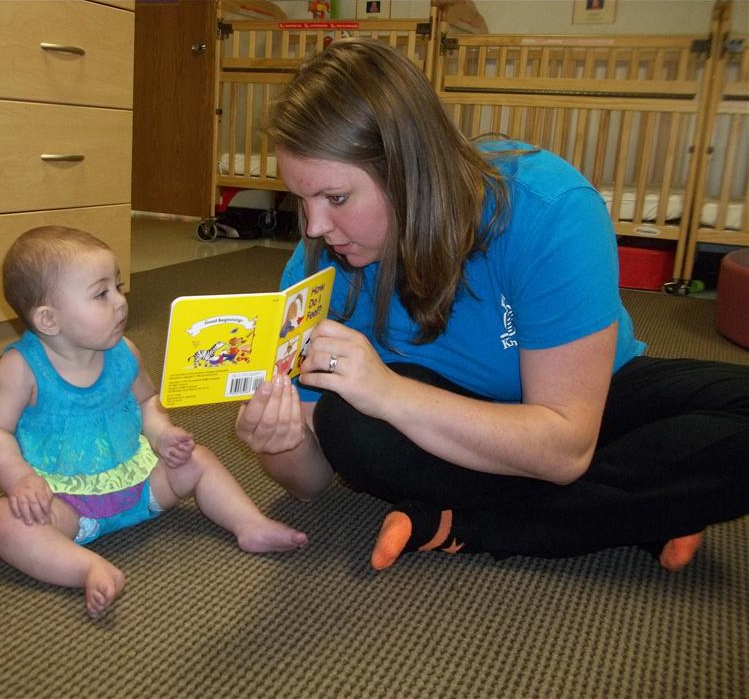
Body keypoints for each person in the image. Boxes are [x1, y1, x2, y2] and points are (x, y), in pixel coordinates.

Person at [235, 38, 749, 573]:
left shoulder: (548, 208)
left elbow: (568, 446)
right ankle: (643, 506)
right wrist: (281, 442)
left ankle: (468, 526)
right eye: (301, 198)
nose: (315, 227)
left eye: (336, 199)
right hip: (445, 424)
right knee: (351, 424)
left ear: (411, 172)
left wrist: (388, 392)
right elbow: (314, 480)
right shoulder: (315, 266)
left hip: (581, 399)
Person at [0, 226, 307, 618]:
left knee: (199, 459)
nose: (120, 302)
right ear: (48, 320)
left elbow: (148, 402)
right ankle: (86, 568)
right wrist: (20, 480)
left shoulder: (124, 352)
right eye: (101, 294)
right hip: (65, 505)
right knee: (3, 523)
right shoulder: (21, 368)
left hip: (141, 486)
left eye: (117, 287)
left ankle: (250, 524)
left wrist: (162, 434)